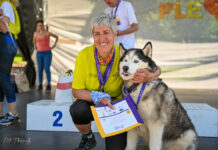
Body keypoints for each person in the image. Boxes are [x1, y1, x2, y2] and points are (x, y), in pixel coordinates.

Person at [69, 14, 161, 150]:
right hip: (92, 102)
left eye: (106, 33)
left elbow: (157, 69)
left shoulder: (124, 54)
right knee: (78, 109)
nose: (102, 39)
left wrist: (150, 75)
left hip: (117, 107)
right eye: (97, 34)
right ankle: (87, 137)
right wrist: (98, 97)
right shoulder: (84, 55)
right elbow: (76, 91)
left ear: (115, 34)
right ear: (93, 36)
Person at [0, 0, 20, 126]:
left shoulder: (6, 4)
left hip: (7, 42)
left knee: (4, 78)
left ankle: (14, 114)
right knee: (0, 80)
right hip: (5, 43)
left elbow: (3, 28)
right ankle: (1, 113)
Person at [33, 20, 58, 91]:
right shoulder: (35, 34)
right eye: (39, 25)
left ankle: (48, 84)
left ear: (43, 26)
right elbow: (34, 41)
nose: (40, 26)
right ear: (37, 26)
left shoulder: (47, 33)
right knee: (40, 69)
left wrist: (53, 45)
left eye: (41, 25)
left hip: (47, 53)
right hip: (39, 53)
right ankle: (40, 84)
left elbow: (56, 37)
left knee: (47, 68)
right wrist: (34, 45)